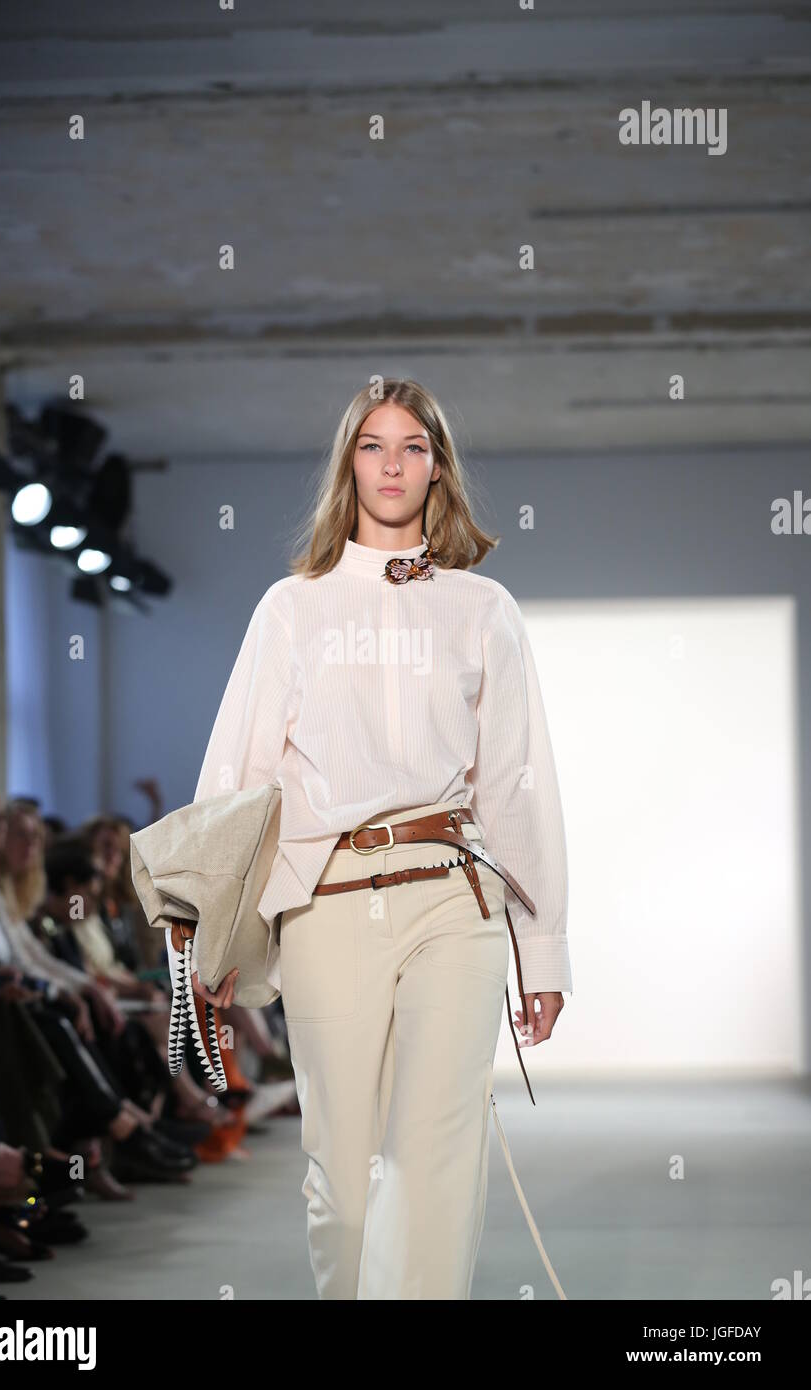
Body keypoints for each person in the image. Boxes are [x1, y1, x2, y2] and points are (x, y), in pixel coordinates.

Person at [176, 378, 571, 1300]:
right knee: (344, 1181)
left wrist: (541, 948)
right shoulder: (293, 609)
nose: (393, 464)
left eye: (413, 447)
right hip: (328, 904)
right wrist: (211, 932)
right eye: (373, 446)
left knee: (436, 1160)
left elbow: (514, 783)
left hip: (451, 897)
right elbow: (236, 777)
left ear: (438, 469)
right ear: (348, 465)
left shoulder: (482, 610)